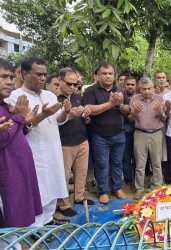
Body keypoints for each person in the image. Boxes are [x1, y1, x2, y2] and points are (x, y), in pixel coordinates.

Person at [6, 57, 70, 226]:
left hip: (53, 148)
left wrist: (65, 113)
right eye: (39, 74)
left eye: (45, 75)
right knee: (39, 189)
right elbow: (18, 128)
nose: (43, 78)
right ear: (25, 74)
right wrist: (43, 115)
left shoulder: (50, 94)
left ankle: (48, 219)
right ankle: (36, 227)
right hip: (34, 151)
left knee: (54, 183)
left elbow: (58, 120)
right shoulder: (15, 97)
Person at [0, 58, 42, 235]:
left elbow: (15, 132)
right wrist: (19, 117)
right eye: (3, 77)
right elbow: (3, 139)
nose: (10, 82)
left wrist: (25, 122)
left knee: (18, 219)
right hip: (7, 171)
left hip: (18, 168)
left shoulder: (5, 106)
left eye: (10, 77)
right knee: (9, 217)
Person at [82, 61, 129, 204]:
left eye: (110, 73)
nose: (108, 76)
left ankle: (117, 188)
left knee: (117, 163)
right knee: (102, 164)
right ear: (98, 75)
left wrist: (120, 104)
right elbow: (89, 109)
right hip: (99, 135)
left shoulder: (120, 90)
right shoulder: (91, 91)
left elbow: (127, 110)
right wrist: (110, 104)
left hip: (119, 134)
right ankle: (103, 191)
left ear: (114, 75)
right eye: (104, 73)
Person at [56, 68, 94, 216]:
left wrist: (86, 116)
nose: (72, 87)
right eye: (69, 84)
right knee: (64, 175)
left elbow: (86, 120)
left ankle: (79, 197)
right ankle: (64, 204)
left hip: (82, 140)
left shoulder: (78, 97)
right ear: (60, 81)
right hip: (65, 143)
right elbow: (54, 123)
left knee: (82, 172)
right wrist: (69, 115)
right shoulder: (54, 99)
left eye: (75, 84)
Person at [129, 77, 166, 198]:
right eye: (144, 89)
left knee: (156, 163)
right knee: (140, 164)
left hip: (156, 133)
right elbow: (130, 119)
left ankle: (158, 188)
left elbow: (164, 119)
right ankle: (139, 188)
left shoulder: (160, 99)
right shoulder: (135, 99)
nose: (147, 91)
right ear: (140, 89)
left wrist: (161, 112)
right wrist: (135, 112)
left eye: (149, 88)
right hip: (140, 133)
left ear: (153, 88)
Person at [122, 75, 137, 190]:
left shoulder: (140, 97)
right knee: (126, 157)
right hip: (124, 131)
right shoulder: (120, 97)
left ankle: (137, 182)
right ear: (124, 85)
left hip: (138, 131)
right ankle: (128, 181)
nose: (130, 87)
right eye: (128, 84)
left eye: (132, 84)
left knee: (137, 157)